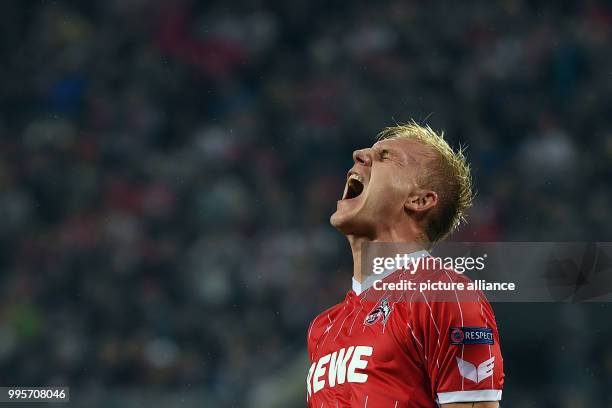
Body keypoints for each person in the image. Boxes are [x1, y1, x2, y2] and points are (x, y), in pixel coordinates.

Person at [306, 122, 504, 407]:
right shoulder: (323, 328)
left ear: (419, 200)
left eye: (387, 157)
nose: (359, 154)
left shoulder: (444, 296)